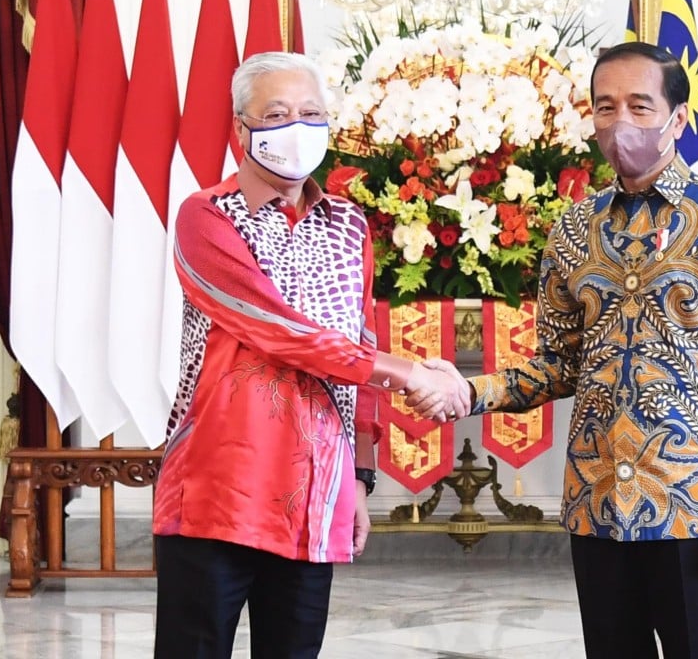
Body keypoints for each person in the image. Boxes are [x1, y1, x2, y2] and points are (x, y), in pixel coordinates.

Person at [416, 42, 698, 658]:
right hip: (597, 502)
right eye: (606, 107)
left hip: (694, 505)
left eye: (641, 106)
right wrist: (466, 391)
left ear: (678, 119)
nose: (621, 124)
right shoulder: (572, 226)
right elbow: (558, 363)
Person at [151, 51, 468, 659]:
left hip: (314, 489)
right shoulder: (207, 216)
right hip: (217, 485)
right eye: (276, 113)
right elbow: (274, 328)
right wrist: (403, 371)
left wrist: (357, 474)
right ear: (242, 128)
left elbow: (360, 338)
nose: (296, 126)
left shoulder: (348, 223)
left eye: (311, 112)